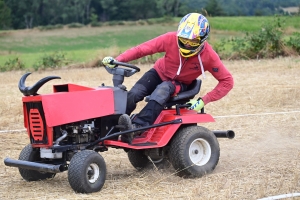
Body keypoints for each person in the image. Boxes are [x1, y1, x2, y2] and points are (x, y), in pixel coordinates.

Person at [102, 13, 234, 143]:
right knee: (134, 93)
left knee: (162, 90)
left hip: (179, 84)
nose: (187, 44)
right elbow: (142, 49)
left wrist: (204, 101)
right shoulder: (170, 38)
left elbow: (227, 81)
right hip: (158, 72)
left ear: (202, 39)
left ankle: (137, 127)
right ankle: (112, 126)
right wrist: (118, 60)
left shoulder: (209, 56)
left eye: (192, 41)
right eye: (183, 39)